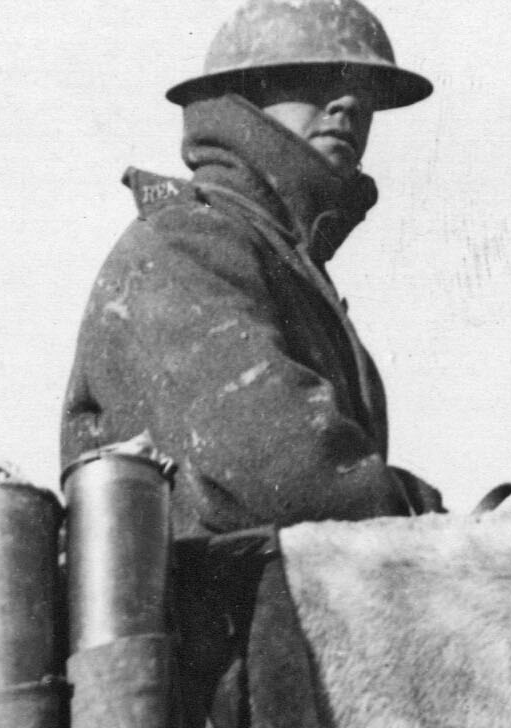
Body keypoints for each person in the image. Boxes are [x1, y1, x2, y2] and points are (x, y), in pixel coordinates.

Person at [62, 0, 443, 535]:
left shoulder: (276, 258)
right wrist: (428, 516)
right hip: (205, 588)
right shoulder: (186, 240)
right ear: (246, 96)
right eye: (315, 79)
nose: (349, 104)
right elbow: (283, 462)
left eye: (366, 91)